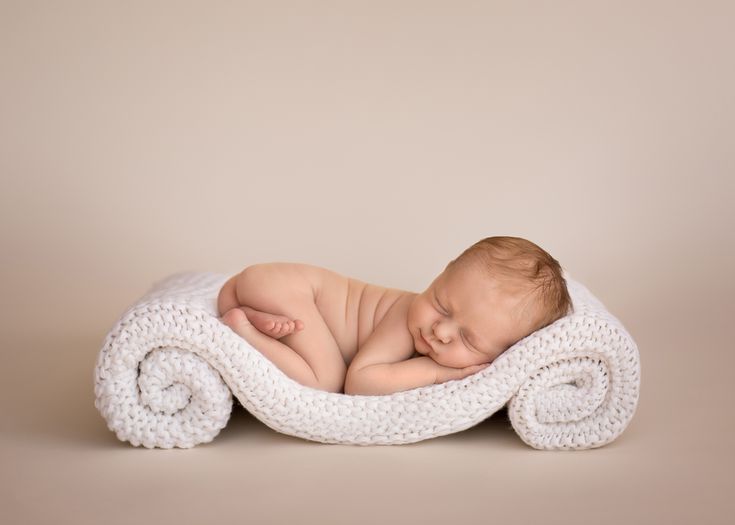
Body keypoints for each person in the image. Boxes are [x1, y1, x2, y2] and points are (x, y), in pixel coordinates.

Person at [217, 236, 571, 395]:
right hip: (288, 288)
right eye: (440, 304)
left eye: (468, 338)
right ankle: (246, 330)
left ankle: (255, 314)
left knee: (313, 351)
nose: (440, 330)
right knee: (325, 381)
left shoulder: (431, 326)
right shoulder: (405, 316)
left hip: (270, 289)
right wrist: (434, 371)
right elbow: (361, 381)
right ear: (440, 274)